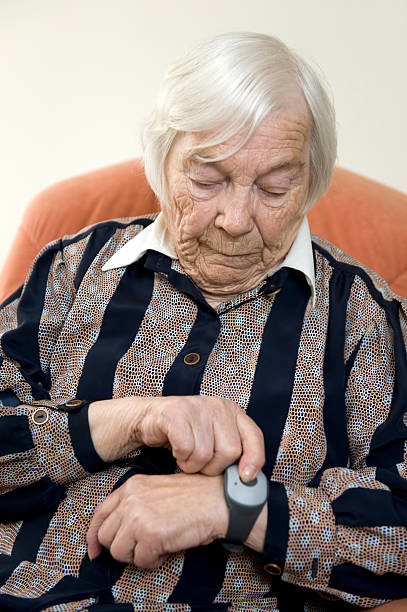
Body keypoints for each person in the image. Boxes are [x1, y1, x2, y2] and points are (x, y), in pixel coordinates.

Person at [0, 31, 406, 612]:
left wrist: (236, 506)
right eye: (208, 180)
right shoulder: (73, 268)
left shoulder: (365, 320)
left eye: (273, 186)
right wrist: (128, 419)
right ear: (161, 164)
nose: (236, 219)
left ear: (311, 183)